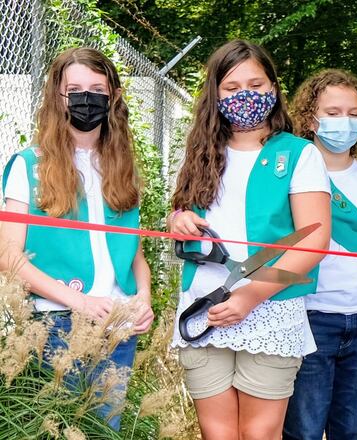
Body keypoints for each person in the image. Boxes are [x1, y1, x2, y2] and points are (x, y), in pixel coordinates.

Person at [168, 40, 331, 439]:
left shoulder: (299, 154)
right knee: (217, 431)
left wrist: (250, 296)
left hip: (270, 307)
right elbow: (182, 214)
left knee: (260, 431)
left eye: (256, 85)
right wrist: (179, 219)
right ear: (215, 95)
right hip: (205, 303)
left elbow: (315, 239)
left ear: (274, 89)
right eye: (232, 87)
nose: (246, 95)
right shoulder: (198, 154)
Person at [0, 47, 153, 430]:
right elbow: (8, 256)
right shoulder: (29, 164)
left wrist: (144, 298)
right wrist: (79, 302)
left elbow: (134, 254)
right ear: (58, 96)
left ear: (114, 96)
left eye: (97, 88)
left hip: (119, 325)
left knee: (105, 431)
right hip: (58, 322)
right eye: (75, 89)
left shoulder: (123, 166)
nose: (87, 98)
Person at [283, 69, 357, 440]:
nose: (343, 122)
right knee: (304, 429)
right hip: (310, 315)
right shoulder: (292, 175)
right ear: (309, 117)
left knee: (355, 430)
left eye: (353, 112)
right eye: (332, 112)